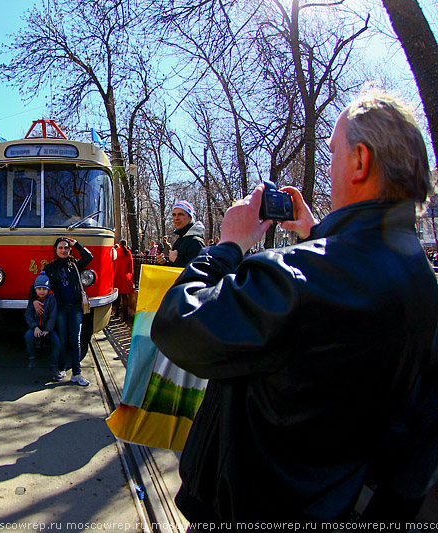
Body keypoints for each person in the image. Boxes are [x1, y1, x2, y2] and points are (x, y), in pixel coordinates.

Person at [149, 90, 438, 523]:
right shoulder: (424, 285)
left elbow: (176, 324)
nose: (329, 165)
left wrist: (228, 245)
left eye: (334, 152)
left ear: (360, 161)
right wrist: (316, 235)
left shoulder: (293, 276)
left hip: (245, 507)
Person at [31, 237, 93, 386]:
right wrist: (33, 299)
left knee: (75, 340)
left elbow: (89, 256)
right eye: (60, 248)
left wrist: (76, 243)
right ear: (56, 250)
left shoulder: (75, 265)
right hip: (60, 309)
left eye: (66, 248)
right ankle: (61, 368)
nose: (64, 250)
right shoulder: (50, 269)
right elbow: (38, 286)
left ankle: (77, 374)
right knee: (62, 340)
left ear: (69, 250)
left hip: (76, 308)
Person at [24, 272, 60, 374]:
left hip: (48, 329)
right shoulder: (33, 301)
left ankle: (54, 364)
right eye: (39, 289)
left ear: (48, 290)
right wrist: (35, 327)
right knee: (27, 336)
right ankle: (32, 359)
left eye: (44, 289)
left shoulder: (51, 299)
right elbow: (28, 314)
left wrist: (48, 330)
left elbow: (53, 315)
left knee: (57, 342)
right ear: (35, 290)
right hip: (36, 327)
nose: (42, 291)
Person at [156, 201, 206, 268]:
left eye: (181, 214)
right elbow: (175, 269)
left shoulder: (196, 241)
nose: (176, 218)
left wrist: (175, 260)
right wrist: (164, 262)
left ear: (190, 217)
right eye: (174, 215)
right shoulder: (181, 239)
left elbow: (198, 271)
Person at [113, 239, 135, 319]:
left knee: (118, 295)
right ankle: (125, 314)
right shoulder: (128, 252)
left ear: (119, 244)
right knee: (125, 296)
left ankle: (117, 313)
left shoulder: (116, 251)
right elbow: (131, 266)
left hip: (117, 276)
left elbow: (113, 263)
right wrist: (131, 275)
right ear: (126, 244)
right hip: (125, 276)